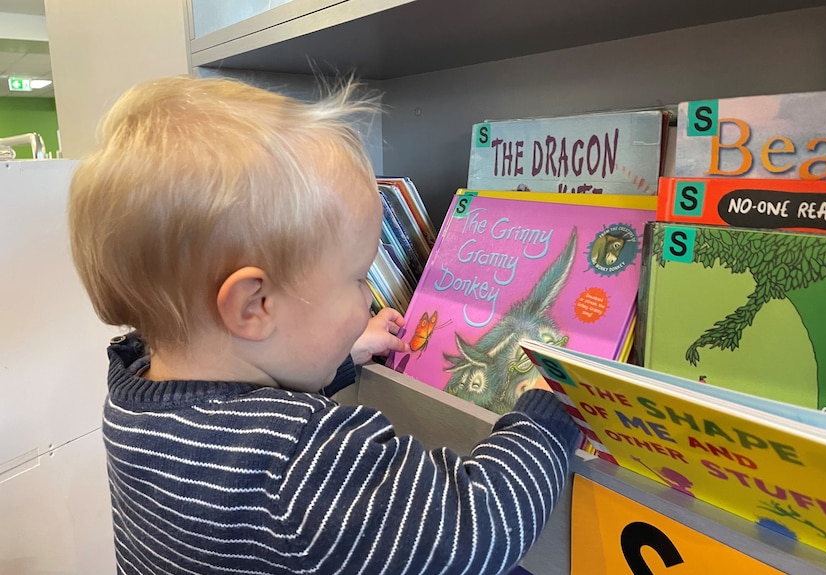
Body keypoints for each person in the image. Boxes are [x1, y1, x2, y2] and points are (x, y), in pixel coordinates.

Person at [68, 74, 581, 574]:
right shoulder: (293, 465)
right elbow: (477, 530)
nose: (367, 299)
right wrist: (549, 412)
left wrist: (341, 354)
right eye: (359, 278)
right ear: (256, 306)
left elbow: (240, 400)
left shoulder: (134, 389)